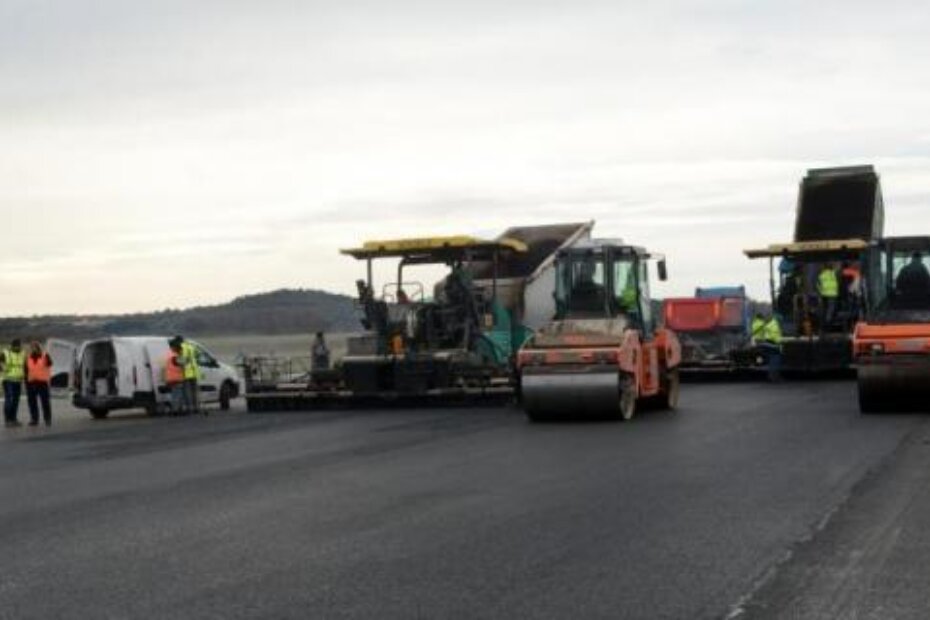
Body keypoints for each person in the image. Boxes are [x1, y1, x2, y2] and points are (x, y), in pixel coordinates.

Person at [25, 341, 53, 426]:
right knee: (32, 402)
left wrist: (48, 357)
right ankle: (34, 419)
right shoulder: (28, 358)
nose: (32, 349)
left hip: (42, 383)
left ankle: (47, 419)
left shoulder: (44, 356)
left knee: (45, 402)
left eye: (34, 347)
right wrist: (26, 383)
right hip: (31, 383)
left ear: (38, 348)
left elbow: (50, 364)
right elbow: (26, 371)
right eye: (31, 348)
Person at [751, 312, 782, 381]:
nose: (764, 318)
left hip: (761, 341)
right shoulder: (765, 324)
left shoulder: (755, 322)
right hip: (767, 341)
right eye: (763, 317)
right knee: (774, 359)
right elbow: (770, 331)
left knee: (768, 357)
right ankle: (773, 376)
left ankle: (771, 375)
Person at [1, 339, 25, 427]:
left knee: (16, 401)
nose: (18, 347)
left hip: (18, 380)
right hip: (8, 380)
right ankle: (8, 420)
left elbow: (23, 366)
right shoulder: (5, 353)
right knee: (9, 400)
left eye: (19, 345)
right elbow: (1, 364)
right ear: (12, 346)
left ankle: (13, 419)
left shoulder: (22, 354)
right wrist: (3, 369)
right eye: (17, 346)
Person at [177, 336, 204, 415]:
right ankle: (196, 407)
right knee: (194, 391)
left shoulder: (182, 348)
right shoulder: (191, 346)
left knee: (187, 391)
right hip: (194, 371)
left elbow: (182, 360)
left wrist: (177, 362)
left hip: (186, 372)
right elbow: (198, 355)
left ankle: (190, 408)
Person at [164, 338, 186, 415]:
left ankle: (175, 409)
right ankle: (176, 410)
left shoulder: (169, 355)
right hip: (176, 378)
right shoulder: (176, 356)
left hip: (170, 378)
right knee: (178, 395)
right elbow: (183, 364)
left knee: (174, 394)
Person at [817, 263, 839, 331]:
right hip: (833, 294)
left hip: (824, 294)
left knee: (825, 309)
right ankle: (828, 322)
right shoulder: (833, 274)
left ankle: (824, 323)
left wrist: (820, 292)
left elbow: (818, 285)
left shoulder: (822, 275)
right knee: (831, 310)